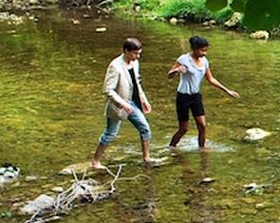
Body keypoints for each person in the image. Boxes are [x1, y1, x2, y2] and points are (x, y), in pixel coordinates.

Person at [166, 35, 239, 150]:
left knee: (202, 125)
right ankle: (171, 147)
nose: (204, 53)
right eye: (202, 50)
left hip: (195, 97)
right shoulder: (183, 59)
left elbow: (211, 79)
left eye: (206, 50)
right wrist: (176, 70)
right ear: (194, 48)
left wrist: (227, 91)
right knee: (183, 129)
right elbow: (169, 75)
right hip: (183, 97)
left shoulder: (204, 61)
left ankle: (202, 149)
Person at [91, 37, 154, 168]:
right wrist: (123, 104)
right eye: (135, 53)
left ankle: (146, 157)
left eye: (139, 53)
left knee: (145, 129)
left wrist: (144, 100)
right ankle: (96, 161)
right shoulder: (115, 66)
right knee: (110, 134)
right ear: (126, 51)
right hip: (118, 105)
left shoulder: (134, 63)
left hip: (133, 102)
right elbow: (108, 90)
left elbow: (137, 83)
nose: (138, 57)